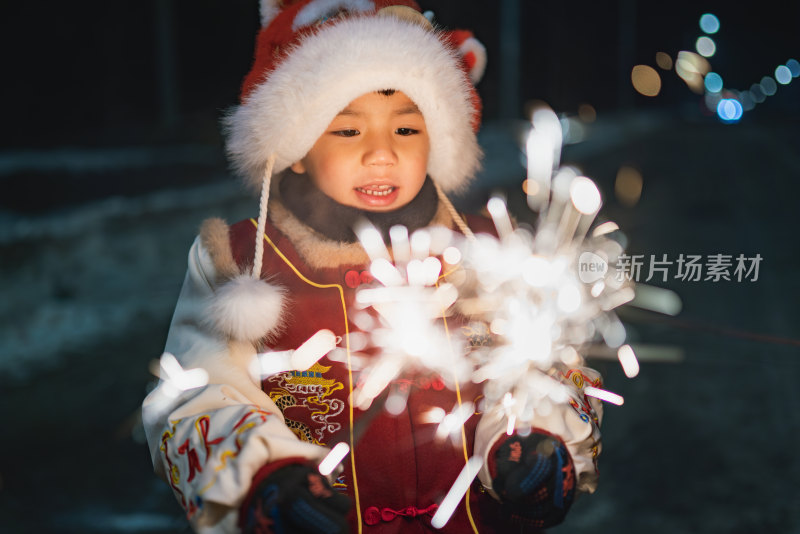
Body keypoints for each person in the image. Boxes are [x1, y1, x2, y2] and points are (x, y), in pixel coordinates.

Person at [141, 2, 604, 533]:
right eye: (347, 131)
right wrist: (265, 476)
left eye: (406, 131)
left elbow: (544, 367)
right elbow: (200, 393)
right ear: (295, 146)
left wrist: (537, 441)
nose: (381, 154)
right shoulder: (241, 262)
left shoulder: (486, 250)